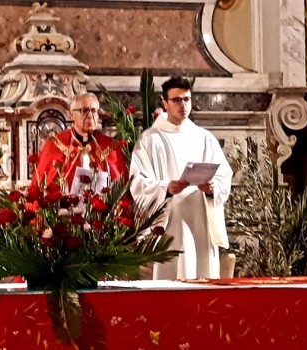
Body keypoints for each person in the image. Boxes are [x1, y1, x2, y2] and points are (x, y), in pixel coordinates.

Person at [129, 76, 233, 280]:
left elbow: (224, 177)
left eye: (187, 99)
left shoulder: (204, 138)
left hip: (200, 221)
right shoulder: (150, 140)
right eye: (176, 100)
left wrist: (213, 188)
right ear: (165, 103)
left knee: (201, 280)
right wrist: (166, 188)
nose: (183, 105)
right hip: (170, 223)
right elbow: (137, 182)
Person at [31, 92, 129, 192]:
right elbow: (41, 187)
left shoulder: (110, 146)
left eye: (94, 111)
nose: (90, 115)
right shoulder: (55, 144)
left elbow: (121, 189)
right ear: (71, 115)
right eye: (85, 110)